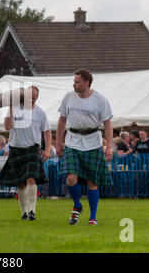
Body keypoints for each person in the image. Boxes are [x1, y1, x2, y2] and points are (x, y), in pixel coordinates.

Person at [56, 69, 113, 226]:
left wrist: (109, 146)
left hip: (93, 142)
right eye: (74, 81)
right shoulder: (68, 97)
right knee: (71, 178)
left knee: (91, 182)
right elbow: (62, 121)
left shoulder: (99, 99)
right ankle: (77, 205)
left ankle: (92, 217)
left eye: (77, 81)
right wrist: (58, 142)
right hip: (72, 141)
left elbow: (108, 124)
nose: (74, 84)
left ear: (86, 82)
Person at [0, 86, 51, 221]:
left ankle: (32, 211)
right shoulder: (15, 109)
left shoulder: (40, 113)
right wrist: (10, 106)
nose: (32, 98)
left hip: (32, 149)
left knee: (31, 178)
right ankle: (24, 212)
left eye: (34, 97)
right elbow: (7, 127)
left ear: (37, 97)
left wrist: (48, 149)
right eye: (29, 96)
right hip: (16, 148)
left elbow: (47, 131)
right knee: (20, 182)